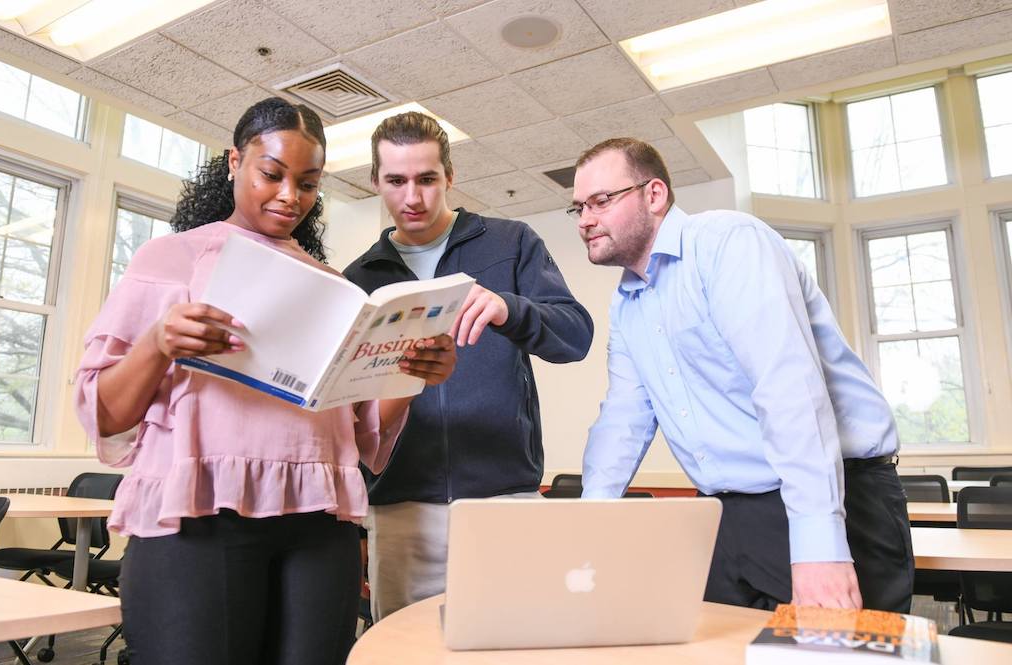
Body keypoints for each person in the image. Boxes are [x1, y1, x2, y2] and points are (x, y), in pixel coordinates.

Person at [73, 97, 456, 665]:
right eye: (271, 174)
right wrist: (156, 342)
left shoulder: (333, 287)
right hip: (200, 518)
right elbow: (104, 414)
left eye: (307, 183)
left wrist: (409, 373)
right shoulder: (170, 259)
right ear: (234, 161)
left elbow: (362, 433)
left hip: (319, 524)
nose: (288, 197)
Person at [572, 138, 913, 613]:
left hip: (830, 495)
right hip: (726, 513)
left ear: (654, 195)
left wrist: (818, 544)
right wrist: (587, 524)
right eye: (578, 208)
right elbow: (625, 418)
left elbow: (788, 387)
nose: (585, 219)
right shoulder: (627, 302)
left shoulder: (728, 243)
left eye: (601, 201)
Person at [343, 112, 594, 621]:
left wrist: (510, 309)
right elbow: (350, 408)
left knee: (519, 650)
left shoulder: (511, 243)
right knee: (405, 655)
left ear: (450, 176)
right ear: (375, 182)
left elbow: (575, 336)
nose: (412, 197)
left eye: (427, 179)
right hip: (401, 510)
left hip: (506, 501)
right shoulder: (358, 279)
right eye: (395, 181)